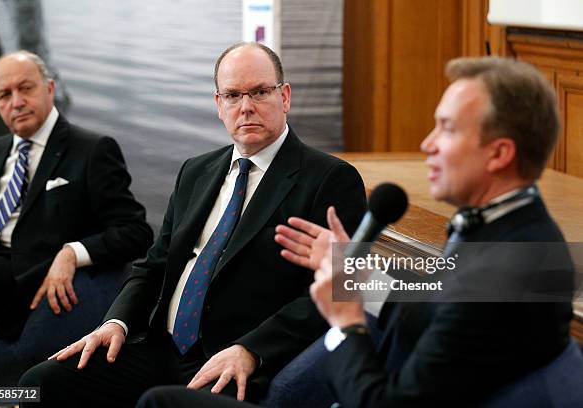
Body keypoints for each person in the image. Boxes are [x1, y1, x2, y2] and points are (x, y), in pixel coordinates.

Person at [135, 57, 575, 407]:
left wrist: (347, 321)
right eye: (232, 95)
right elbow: (436, 294)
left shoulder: (512, 268)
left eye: (448, 128)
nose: (428, 144)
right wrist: (357, 276)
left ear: (499, 154)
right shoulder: (506, 231)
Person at [19, 42, 367, 407]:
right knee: (37, 385)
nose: (246, 106)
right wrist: (115, 323)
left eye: (260, 92)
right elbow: (153, 266)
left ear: (285, 96)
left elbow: (340, 288)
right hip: (158, 346)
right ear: (219, 105)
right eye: (232, 95)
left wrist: (252, 350)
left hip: (232, 362)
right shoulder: (195, 171)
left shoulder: (331, 179)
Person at [0, 50, 153, 338]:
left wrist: (71, 253)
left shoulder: (92, 150)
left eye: (26, 88)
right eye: (5, 95)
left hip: (18, 276)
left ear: (50, 88)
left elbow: (135, 232)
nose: (16, 102)